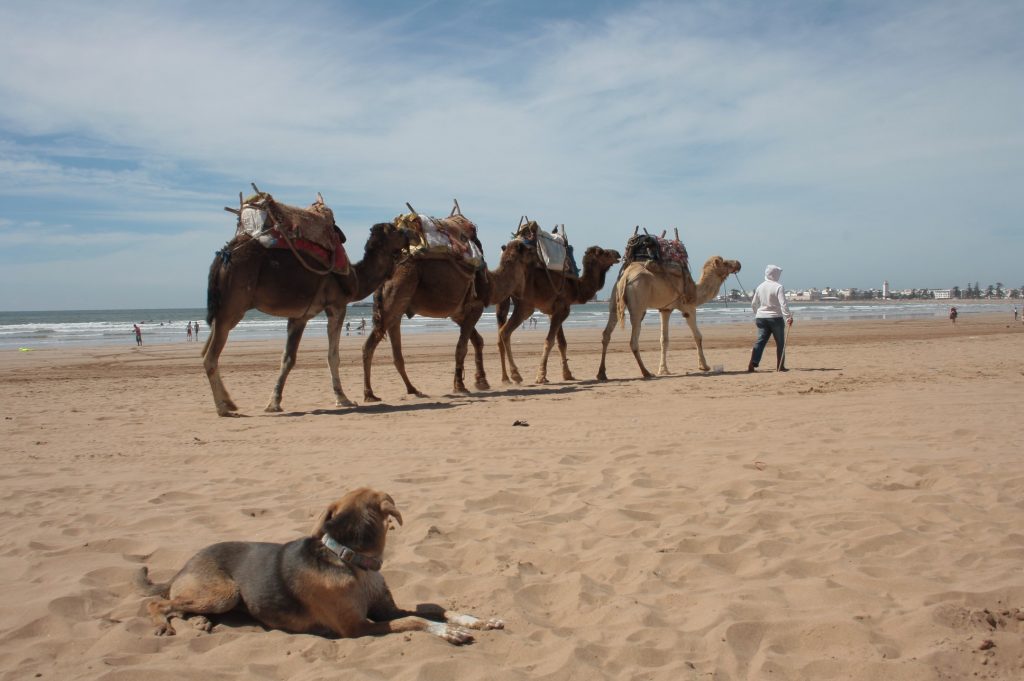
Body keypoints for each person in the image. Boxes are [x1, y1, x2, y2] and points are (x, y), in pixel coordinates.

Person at [748, 264, 793, 372]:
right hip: (775, 318)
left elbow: (754, 303)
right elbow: (783, 304)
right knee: (780, 343)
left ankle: (752, 364)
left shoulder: (760, 286)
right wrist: (788, 317)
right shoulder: (778, 287)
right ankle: (780, 366)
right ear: (775, 274)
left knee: (761, 341)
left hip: (761, 318)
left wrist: (757, 313)